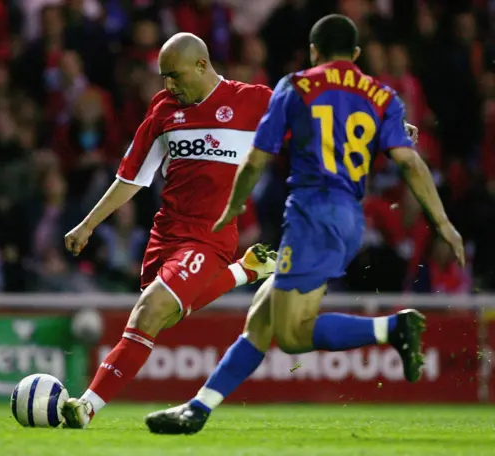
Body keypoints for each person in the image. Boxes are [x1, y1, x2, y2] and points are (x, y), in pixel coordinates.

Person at [144, 14, 465, 435]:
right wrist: (442, 221)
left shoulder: (295, 87)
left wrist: (232, 208)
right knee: (262, 316)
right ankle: (198, 409)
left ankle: (393, 327)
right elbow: (409, 161)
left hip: (313, 216)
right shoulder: (381, 95)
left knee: (293, 335)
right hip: (350, 217)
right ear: (355, 54)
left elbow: (258, 158)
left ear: (313, 52)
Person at [61, 32, 278, 429]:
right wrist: (88, 224)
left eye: (174, 76)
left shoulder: (254, 101)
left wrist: (383, 126)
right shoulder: (163, 110)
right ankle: (245, 271)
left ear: (201, 65)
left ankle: (86, 407)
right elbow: (132, 177)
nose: (169, 85)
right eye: (163, 77)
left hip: (210, 236)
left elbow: (317, 115)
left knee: (150, 310)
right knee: (162, 316)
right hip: (166, 234)